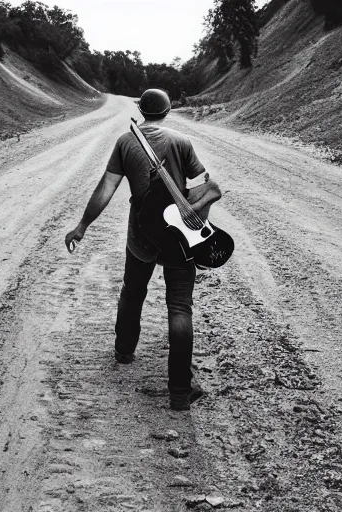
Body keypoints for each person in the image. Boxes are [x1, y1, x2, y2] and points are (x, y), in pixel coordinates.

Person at [65, 89, 221, 411]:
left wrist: (83, 225)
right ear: (168, 110)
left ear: (141, 109)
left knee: (132, 291)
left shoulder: (125, 142)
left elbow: (105, 189)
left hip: (141, 232)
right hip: (179, 234)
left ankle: (124, 350)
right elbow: (204, 183)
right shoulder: (182, 142)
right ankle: (180, 389)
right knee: (180, 307)